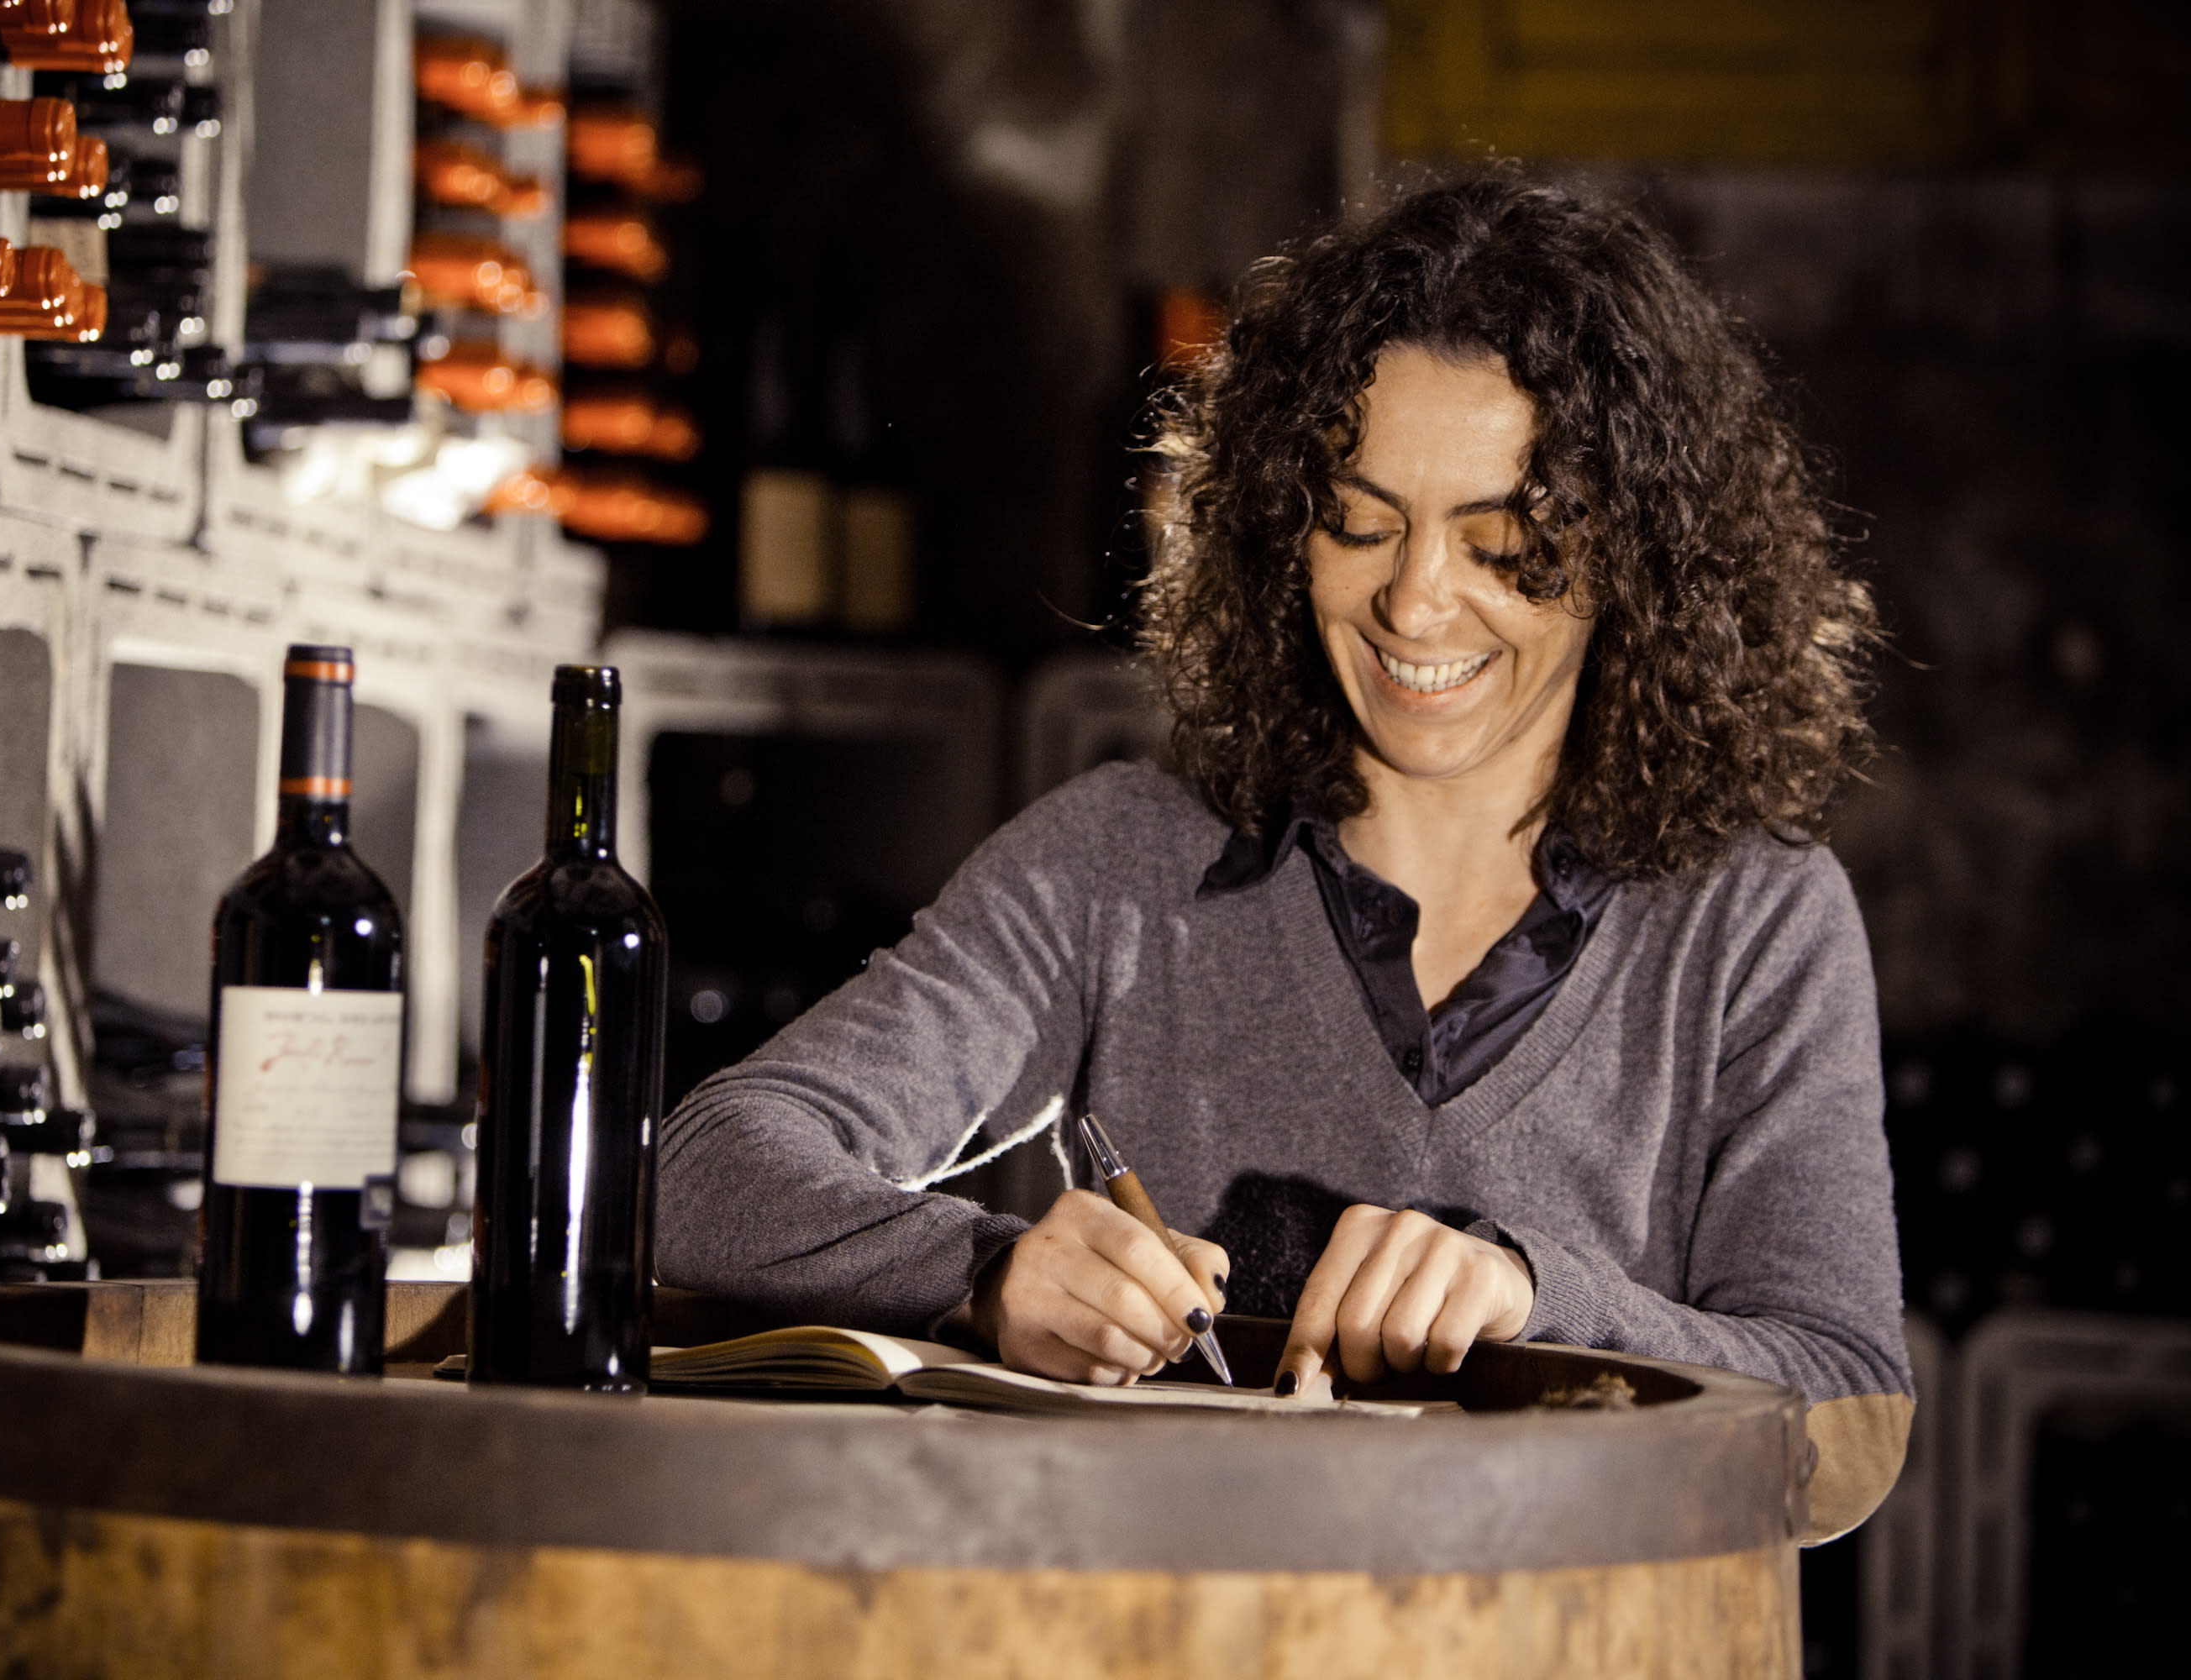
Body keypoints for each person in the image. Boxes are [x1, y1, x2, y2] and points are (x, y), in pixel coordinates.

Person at [657, 176, 1912, 1542]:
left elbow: (1847, 1425)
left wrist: (1532, 1298)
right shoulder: (1116, 867)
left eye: (1503, 544)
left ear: (1637, 560)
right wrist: (984, 1271)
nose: (1414, 601)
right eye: (1360, 523)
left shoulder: (1758, 924)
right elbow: (705, 1171)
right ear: (1273, 521)